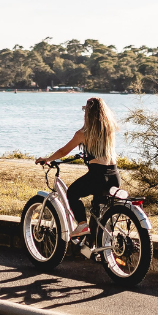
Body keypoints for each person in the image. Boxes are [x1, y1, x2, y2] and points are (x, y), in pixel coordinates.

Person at [35, 96, 120, 238]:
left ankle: (81, 224)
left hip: (97, 175)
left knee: (72, 193)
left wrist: (48, 159)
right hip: (114, 175)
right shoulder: (109, 129)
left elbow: (63, 151)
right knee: (98, 212)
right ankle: (96, 246)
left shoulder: (83, 134)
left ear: (88, 113)